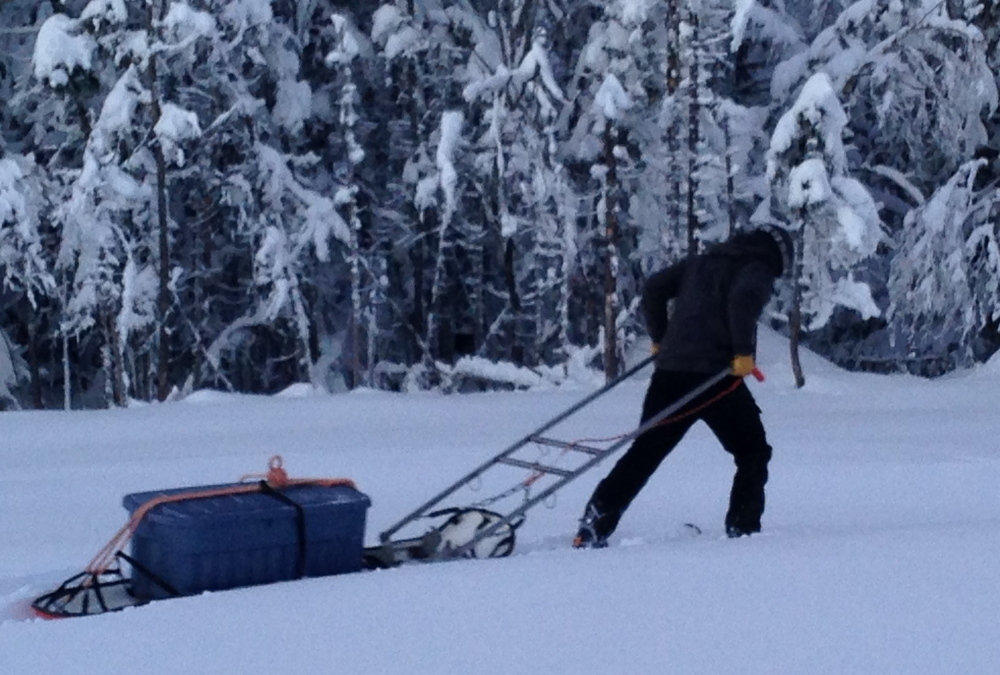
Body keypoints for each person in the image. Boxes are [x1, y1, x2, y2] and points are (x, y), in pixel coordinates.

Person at [573, 227, 792, 548]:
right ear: (776, 255)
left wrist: (661, 339)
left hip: (671, 373)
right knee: (752, 451)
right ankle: (742, 530)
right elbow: (743, 299)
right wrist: (743, 352)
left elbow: (654, 289)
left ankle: (595, 523)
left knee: (645, 452)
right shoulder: (756, 269)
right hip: (715, 379)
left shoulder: (703, 262)